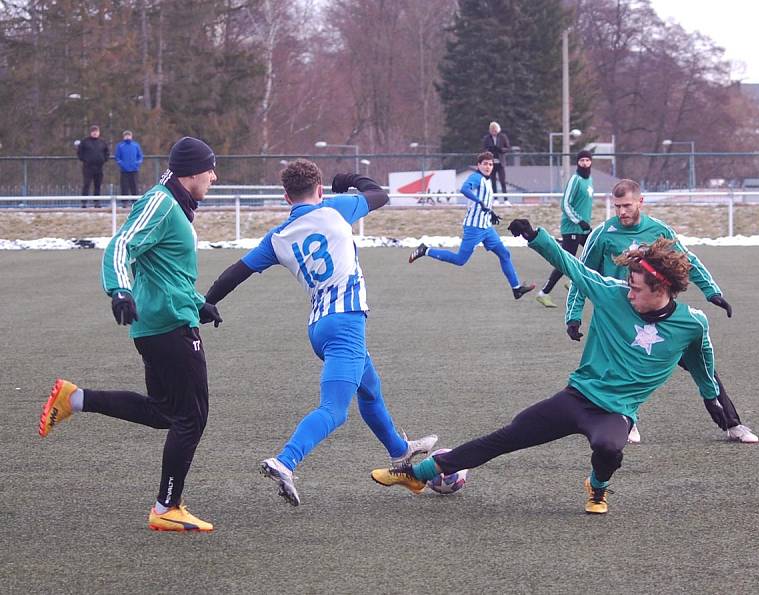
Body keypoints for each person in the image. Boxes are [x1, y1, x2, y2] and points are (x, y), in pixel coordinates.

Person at [373, 220, 726, 515]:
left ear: (661, 287)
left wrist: (711, 397)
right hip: (576, 397)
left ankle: (597, 487)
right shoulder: (611, 293)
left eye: (636, 288)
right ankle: (417, 474)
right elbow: (573, 266)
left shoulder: (691, 323)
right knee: (505, 437)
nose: (629, 293)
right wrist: (535, 236)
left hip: (616, 412)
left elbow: (701, 362)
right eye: (629, 286)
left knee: (608, 447)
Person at [203, 159, 437, 507]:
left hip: (319, 327)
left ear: (285, 197)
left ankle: (401, 455)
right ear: (320, 189)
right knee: (334, 410)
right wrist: (350, 178)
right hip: (346, 323)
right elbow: (379, 195)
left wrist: (205, 303)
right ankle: (285, 461)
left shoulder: (277, 237)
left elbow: (234, 274)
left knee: (370, 390)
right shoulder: (334, 208)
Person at [39, 136, 221, 532]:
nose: (214, 176)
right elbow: (121, 246)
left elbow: (165, 268)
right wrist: (119, 290)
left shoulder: (176, 204)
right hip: (167, 325)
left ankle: (75, 398)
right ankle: (166, 507)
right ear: (191, 171)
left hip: (166, 318)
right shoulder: (159, 202)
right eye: (209, 169)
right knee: (191, 417)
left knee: (165, 412)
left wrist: (197, 300)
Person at [564, 179, 759, 444]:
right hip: (619, 320)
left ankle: (732, 424)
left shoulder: (659, 230)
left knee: (703, 366)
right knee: (623, 372)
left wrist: (712, 292)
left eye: (627, 205)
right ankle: (626, 420)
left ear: (640, 202)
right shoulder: (602, 234)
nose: (622, 212)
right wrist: (573, 316)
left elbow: (687, 261)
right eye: (617, 206)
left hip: (659, 317)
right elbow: (581, 275)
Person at [408, 151, 535, 301]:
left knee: (504, 254)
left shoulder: (487, 181)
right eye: (485, 164)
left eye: (490, 164)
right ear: (478, 165)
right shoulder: (476, 177)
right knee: (460, 260)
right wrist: (480, 202)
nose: (488, 166)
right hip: (474, 228)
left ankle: (516, 289)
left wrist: (490, 212)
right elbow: (464, 189)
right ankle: (425, 250)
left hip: (486, 227)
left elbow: (483, 202)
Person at [536, 150, 594, 308]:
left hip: (583, 228)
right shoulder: (575, 180)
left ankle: (573, 281)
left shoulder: (589, 180)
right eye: (582, 160)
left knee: (594, 251)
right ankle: (544, 293)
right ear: (578, 162)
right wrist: (578, 220)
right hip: (572, 228)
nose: (585, 163)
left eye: (587, 160)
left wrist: (585, 222)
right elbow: (565, 204)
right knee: (564, 262)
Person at [77, 125, 109, 208]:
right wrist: (85, 160)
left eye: (96, 131)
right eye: (93, 131)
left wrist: (104, 159)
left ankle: (97, 202)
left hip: (99, 167)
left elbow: (106, 152)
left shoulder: (102, 142)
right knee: (86, 184)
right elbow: (80, 153)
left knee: (97, 185)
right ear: (91, 132)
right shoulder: (85, 142)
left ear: (99, 132)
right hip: (88, 167)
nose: (95, 133)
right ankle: (84, 202)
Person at [482, 121, 510, 201]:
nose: (493, 132)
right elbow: (484, 148)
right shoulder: (487, 138)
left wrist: (500, 149)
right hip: (491, 163)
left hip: (500, 162)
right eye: (492, 131)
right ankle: (495, 199)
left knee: (502, 181)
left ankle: (506, 199)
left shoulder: (502, 137)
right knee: (493, 181)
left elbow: (507, 148)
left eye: (495, 130)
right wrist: (489, 151)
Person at [115, 130, 144, 207]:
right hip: (124, 170)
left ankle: (135, 202)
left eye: (129, 135)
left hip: (134, 170)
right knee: (124, 186)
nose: (127, 137)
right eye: (126, 135)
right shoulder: (120, 146)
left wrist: (136, 164)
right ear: (123, 137)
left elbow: (140, 156)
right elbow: (117, 157)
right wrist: (122, 165)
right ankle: (125, 202)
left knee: (134, 186)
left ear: (131, 136)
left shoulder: (136, 145)